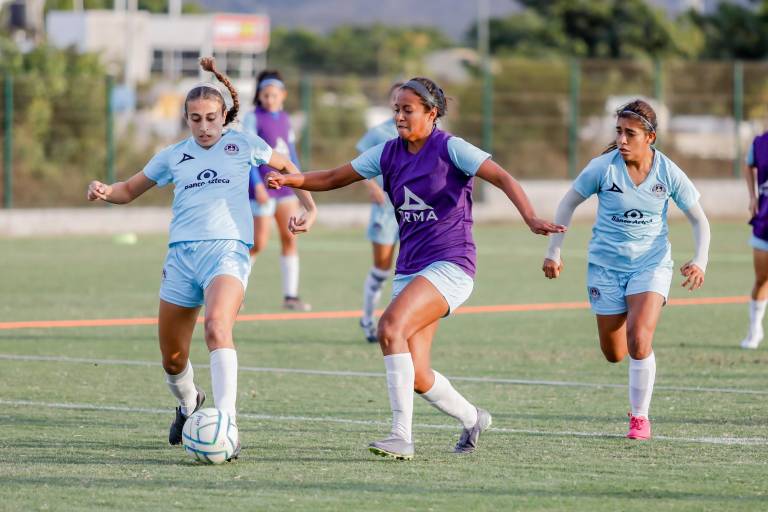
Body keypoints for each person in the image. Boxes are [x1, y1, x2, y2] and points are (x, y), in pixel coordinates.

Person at [265, 77, 565, 459]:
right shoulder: (387, 153)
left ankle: (400, 436)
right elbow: (334, 177)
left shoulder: (451, 148)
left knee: (389, 327)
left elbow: (503, 177)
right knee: (419, 375)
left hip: (452, 263)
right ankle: (473, 418)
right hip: (410, 268)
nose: (400, 117)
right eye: (396, 109)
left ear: (431, 113)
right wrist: (291, 179)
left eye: (408, 110)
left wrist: (530, 217)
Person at [86, 57, 317, 458]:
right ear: (187, 120)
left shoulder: (243, 142)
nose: (205, 126)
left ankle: (226, 423)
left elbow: (290, 167)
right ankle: (189, 402)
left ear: (223, 115)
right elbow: (128, 190)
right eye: (196, 119)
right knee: (172, 359)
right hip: (181, 258)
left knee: (216, 329)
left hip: (228, 251)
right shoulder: (173, 155)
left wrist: (308, 207)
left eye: (211, 118)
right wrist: (105, 190)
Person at [542, 99, 710, 440]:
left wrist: (700, 259)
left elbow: (699, 220)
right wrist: (554, 252)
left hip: (651, 265)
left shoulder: (667, 172)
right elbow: (567, 203)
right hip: (605, 268)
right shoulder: (602, 168)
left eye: (629, 133)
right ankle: (633, 367)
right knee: (614, 353)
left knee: (639, 339)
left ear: (650, 137)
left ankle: (640, 418)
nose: (622, 139)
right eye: (618, 131)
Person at [241, 70, 312, 311]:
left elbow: (291, 155)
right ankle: (236, 290)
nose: (269, 98)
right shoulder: (253, 118)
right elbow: (248, 156)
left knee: (290, 238)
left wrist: (299, 184)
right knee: (258, 243)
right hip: (263, 190)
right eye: (265, 94)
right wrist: (257, 185)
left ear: (283, 95)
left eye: (274, 94)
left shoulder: (285, 118)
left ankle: (291, 296)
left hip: (284, 190)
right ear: (259, 96)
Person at [357, 83, 402, 343]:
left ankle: (400, 322)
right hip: (385, 211)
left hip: (412, 211)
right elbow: (360, 166)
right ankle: (367, 319)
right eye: (396, 100)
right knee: (382, 268)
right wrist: (372, 185)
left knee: (409, 268)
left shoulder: (422, 132)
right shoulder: (380, 132)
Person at [739, 132, 768, 349]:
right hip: (765, 220)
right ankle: (755, 329)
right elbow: (748, 165)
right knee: (761, 278)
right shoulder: (759, 142)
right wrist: (752, 196)